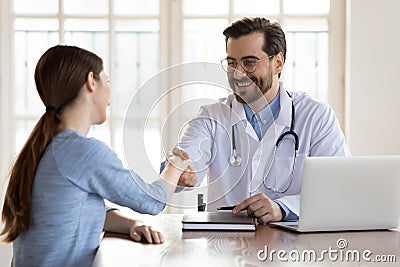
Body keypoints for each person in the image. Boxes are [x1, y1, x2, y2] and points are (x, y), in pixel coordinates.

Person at [0, 45, 190, 267]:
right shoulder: (83, 152)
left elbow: (76, 209)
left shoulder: (44, 148)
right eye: (106, 81)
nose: (110, 93)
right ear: (91, 81)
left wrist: (131, 224)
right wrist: (176, 162)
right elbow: (153, 200)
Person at [174, 17, 350, 223]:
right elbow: (185, 161)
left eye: (249, 62)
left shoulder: (316, 116)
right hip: (225, 245)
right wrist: (179, 171)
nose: (238, 73)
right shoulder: (211, 117)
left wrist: (282, 208)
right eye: (231, 63)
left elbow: (338, 188)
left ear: (278, 62)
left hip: (293, 248)